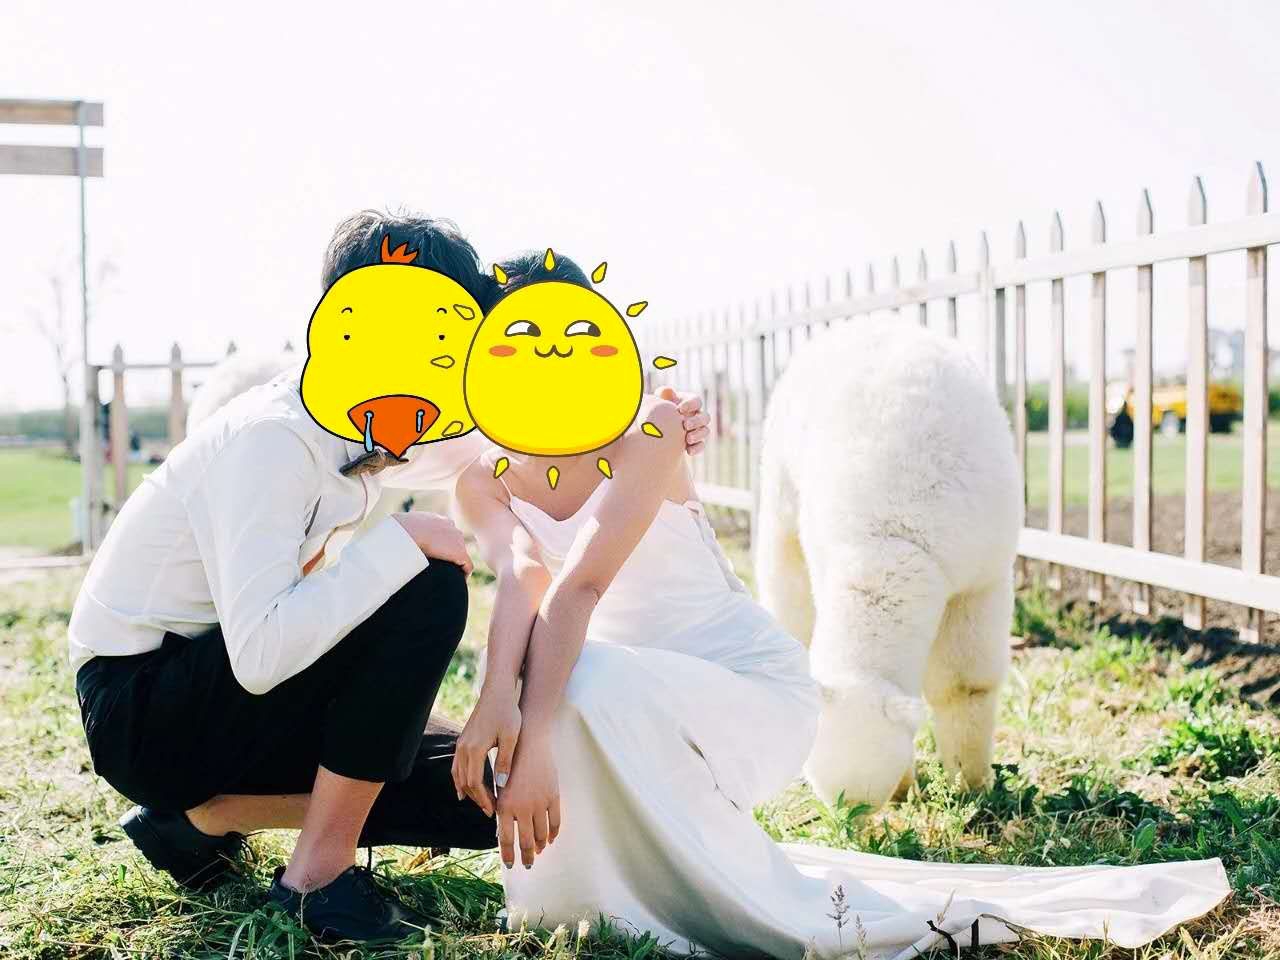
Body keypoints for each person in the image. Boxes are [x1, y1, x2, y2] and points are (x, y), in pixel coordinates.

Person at [451, 253, 1231, 959]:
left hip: (739, 688)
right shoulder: (482, 478)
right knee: (570, 686)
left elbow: (580, 586)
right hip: (622, 693)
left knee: (572, 687)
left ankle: (689, 886)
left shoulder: (648, 430)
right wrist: (495, 705)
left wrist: (531, 727)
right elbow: (524, 576)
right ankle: (612, 900)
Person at [68, 212, 710, 944]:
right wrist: (399, 543)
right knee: (427, 582)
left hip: (230, 697)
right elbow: (260, 654)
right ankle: (318, 879)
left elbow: (512, 429)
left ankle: (195, 823)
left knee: (482, 794)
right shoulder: (272, 439)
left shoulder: (377, 421)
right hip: (145, 707)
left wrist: (643, 421)